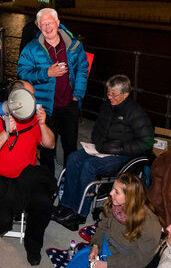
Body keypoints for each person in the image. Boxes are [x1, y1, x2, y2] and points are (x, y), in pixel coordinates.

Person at [0, 80, 56, 266]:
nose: (33, 100)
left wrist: (43, 124)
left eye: (33, 96)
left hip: (26, 176)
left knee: (43, 201)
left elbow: (50, 144)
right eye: (28, 96)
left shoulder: (33, 119)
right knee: (3, 217)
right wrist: (6, 133)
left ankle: (33, 246)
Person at [53, 74, 153, 230]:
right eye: (108, 93)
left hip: (122, 156)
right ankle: (66, 205)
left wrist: (120, 148)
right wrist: (98, 143)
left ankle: (79, 213)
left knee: (89, 166)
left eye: (114, 94)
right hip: (102, 149)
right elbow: (97, 128)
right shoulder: (107, 106)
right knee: (73, 157)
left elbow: (147, 142)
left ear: (125, 94)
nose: (109, 97)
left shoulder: (135, 112)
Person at [17, 8, 89, 174]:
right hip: (45, 106)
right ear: (38, 26)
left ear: (57, 23)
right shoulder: (31, 49)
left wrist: (77, 95)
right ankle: (47, 182)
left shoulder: (74, 45)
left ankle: (68, 180)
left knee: (70, 144)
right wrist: (46, 73)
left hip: (69, 104)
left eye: (50, 23)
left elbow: (83, 69)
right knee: (47, 146)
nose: (47, 27)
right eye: (43, 24)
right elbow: (22, 73)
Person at [86, 173, 162, 268]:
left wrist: (108, 264)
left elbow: (141, 260)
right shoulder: (113, 204)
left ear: (130, 197)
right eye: (113, 188)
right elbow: (102, 227)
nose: (110, 193)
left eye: (116, 192)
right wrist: (95, 246)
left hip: (125, 260)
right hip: (107, 245)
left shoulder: (150, 225)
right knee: (78, 262)